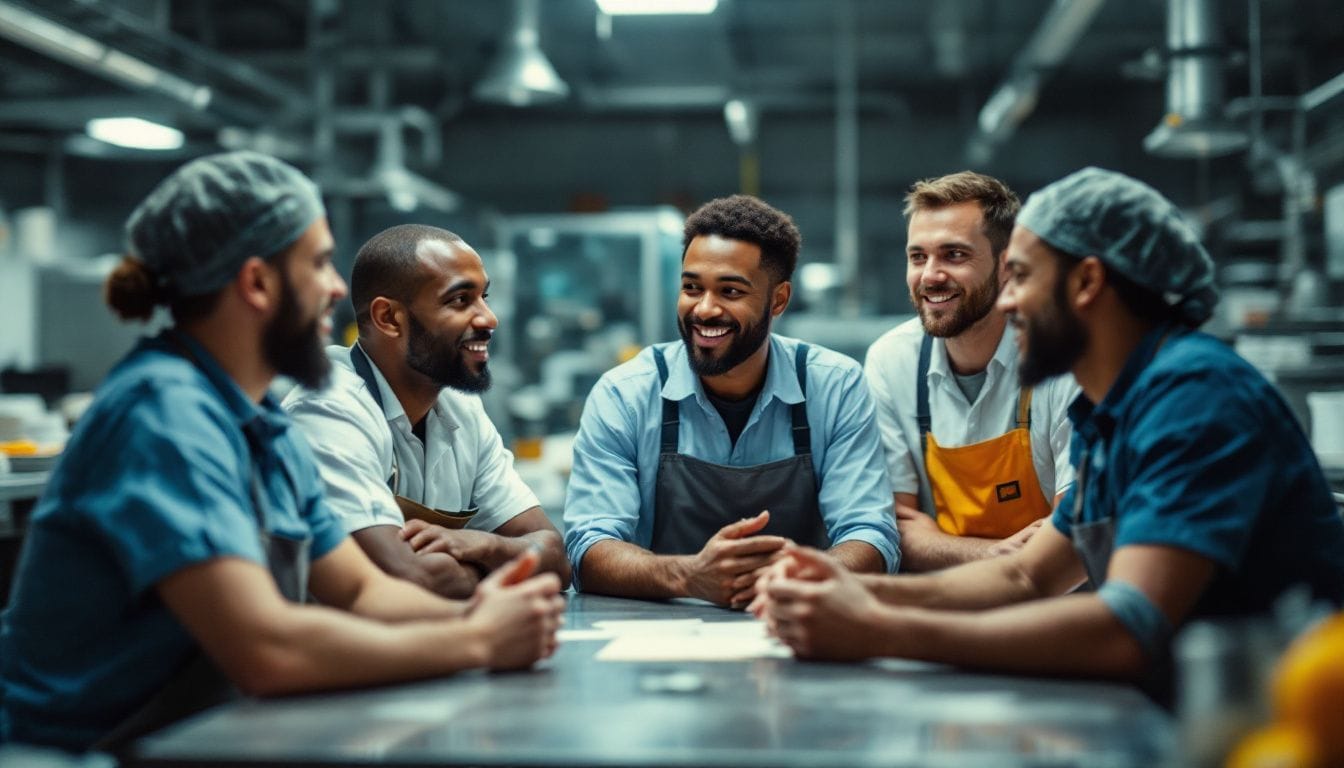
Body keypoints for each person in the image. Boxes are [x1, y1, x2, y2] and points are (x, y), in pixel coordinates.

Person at [0, 152, 564, 754]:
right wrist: (476, 641)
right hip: (71, 752)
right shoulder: (163, 415)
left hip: (185, 738)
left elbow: (363, 592)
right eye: (319, 263)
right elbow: (265, 649)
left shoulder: (261, 425)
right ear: (257, 283)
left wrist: (491, 618)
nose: (336, 288)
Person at [755, 167, 1344, 691]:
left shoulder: (1194, 395)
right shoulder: (1112, 410)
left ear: (1087, 283)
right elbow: (1026, 572)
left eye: (1021, 277)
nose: (1006, 303)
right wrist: (844, 591)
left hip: (1283, 716)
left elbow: (1129, 629)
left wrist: (878, 629)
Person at [563, 194, 900, 608]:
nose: (704, 309)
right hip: (655, 638)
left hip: (796, 622)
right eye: (691, 288)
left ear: (778, 300)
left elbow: (871, 535)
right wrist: (689, 576)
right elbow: (588, 547)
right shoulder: (625, 394)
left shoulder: (835, 387)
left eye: (730, 291)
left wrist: (794, 579)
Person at [283, 225, 570, 599]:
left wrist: (484, 546)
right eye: (460, 300)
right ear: (389, 318)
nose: (489, 318)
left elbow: (555, 557)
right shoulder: (329, 410)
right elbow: (403, 579)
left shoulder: (461, 411)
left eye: (484, 296)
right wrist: (500, 567)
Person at [864, 171, 1079, 571]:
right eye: (918, 257)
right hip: (950, 602)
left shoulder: (1063, 360)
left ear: (1007, 266)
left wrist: (942, 544)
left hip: (1062, 606)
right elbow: (896, 524)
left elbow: (1073, 534)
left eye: (954, 255)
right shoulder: (893, 361)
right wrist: (991, 554)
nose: (930, 275)